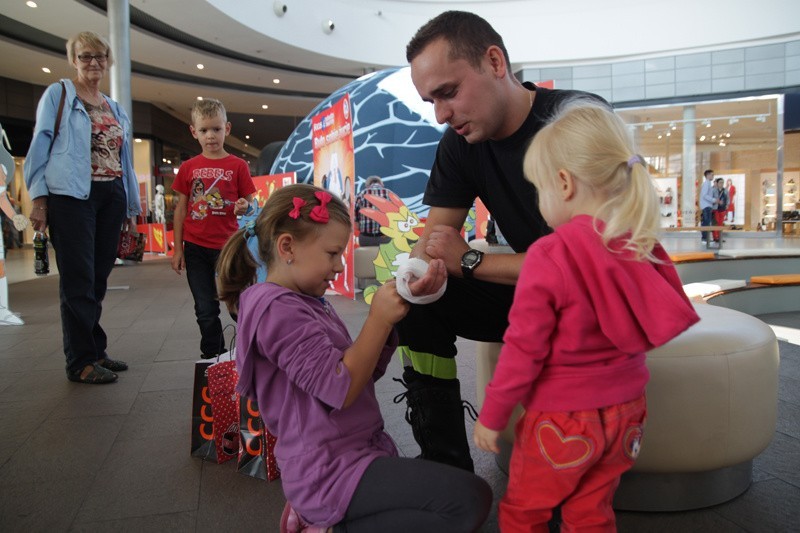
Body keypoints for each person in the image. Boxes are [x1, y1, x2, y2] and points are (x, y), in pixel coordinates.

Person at [395, 10, 608, 471]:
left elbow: (593, 266)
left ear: (495, 62)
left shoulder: (577, 121)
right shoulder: (461, 141)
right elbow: (434, 237)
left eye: (447, 93)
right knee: (417, 305)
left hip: (597, 303)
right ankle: (446, 470)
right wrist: (416, 275)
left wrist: (469, 259)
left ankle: (564, 480)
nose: (441, 115)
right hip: (535, 292)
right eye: (431, 101)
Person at [473, 102, 700, 531]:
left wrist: (493, 415)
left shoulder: (549, 254)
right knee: (590, 512)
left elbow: (524, 349)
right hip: (627, 414)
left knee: (525, 511)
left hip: (562, 419)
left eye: (538, 189)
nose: (540, 201)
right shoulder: (639, 245)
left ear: (563, 183)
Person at [215, 183, 492, 533]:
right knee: (466, 502)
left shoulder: (304, 301)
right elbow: (340, 388)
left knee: (468, 498)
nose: (340, 264)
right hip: (327, 471)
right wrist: (378, 319)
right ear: (287, 247)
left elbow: (360, 375)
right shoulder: (276, 312)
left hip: (351, 453)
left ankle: (321, 518)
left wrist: (399, 309)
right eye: (332, 253)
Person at [23, 31, 141, 384]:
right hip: (71, 196)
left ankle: (95, 350)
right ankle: (81, 361)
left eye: (100, 56)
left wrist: (131, 209)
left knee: (98, 277)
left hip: (111, 195)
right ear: (74, 59)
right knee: (78, 279)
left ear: (108, 61)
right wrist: (38, 198)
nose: (94, 62)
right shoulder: (59, 94)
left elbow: (126, 161)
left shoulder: (113, 106)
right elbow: (39, 148)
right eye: (86, 56)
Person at [171, 98, 255, 358]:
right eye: (205, 130)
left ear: (227, 129)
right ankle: (212, 358)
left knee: (237, 303)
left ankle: (250, 350)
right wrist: (178, 249)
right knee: (205, 309)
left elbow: (249, 203)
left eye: (216, 129)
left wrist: (244, 206)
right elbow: (181, 209)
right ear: (194, 131)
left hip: (229, 246)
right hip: (195, 248)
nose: (211, 136)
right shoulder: (188, 168)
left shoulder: (238, 166)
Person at [354, 175, 391, 246]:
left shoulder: (360, 195)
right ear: (381, 184)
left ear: (367, 185)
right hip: (385, 238)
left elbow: (356, 224)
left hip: (366, 238)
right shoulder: (389, 194)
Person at [699, 169, 715, 243]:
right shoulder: (706, 184)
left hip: (708, 205)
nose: (713, 176)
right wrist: (713, 200)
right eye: (712, 175)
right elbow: (704, 195)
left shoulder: (708, 184)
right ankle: (704, 238)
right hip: (706, 206)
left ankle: (707, 238)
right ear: (707, 175)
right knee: (706, 222)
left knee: (708, 222)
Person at [712, 177, 728, 242]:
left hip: (722, 208)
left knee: (720, 224)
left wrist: (727, 205)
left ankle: (719, 237)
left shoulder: (725, 190)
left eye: (722, 182)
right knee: (715, 223)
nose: (721, 184)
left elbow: (728, 198)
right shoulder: (713, 190)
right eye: (720, 182)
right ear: (717, 183)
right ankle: (715, 237)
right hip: (715, 209)